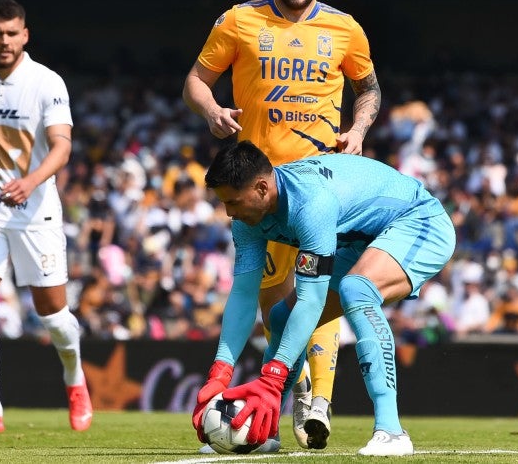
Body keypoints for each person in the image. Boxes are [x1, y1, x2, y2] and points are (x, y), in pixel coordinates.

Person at [182, 0, 382, 451]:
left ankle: (320, 401)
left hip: (319, 185)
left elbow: (369, 89)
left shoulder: (345, 29)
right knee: (274, 302)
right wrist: (212, 111)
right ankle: (288, 393)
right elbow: (196, 81)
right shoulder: (239, 20)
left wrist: (358, 132)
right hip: (257, 191)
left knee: (317, 288)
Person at [192, 141, 455, 456]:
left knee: (357, 289)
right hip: (362, 239)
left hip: (419, 222)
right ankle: (262, 432)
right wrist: (221, 370)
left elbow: (311, 301)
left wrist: (273, 377)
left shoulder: (310, 204)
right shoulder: (248, 220)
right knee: (281, 317)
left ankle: (392, 430)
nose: (229, 213)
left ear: (262, 188)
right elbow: (244, 293)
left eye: (233, 202)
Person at [0, 0, 92, 433]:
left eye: (12, 33)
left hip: (36, 210)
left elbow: (62, 146)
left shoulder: (47, 82)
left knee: (53, 316)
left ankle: (75, 377)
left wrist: (31, 182)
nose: (4, 41)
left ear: (25, 35)